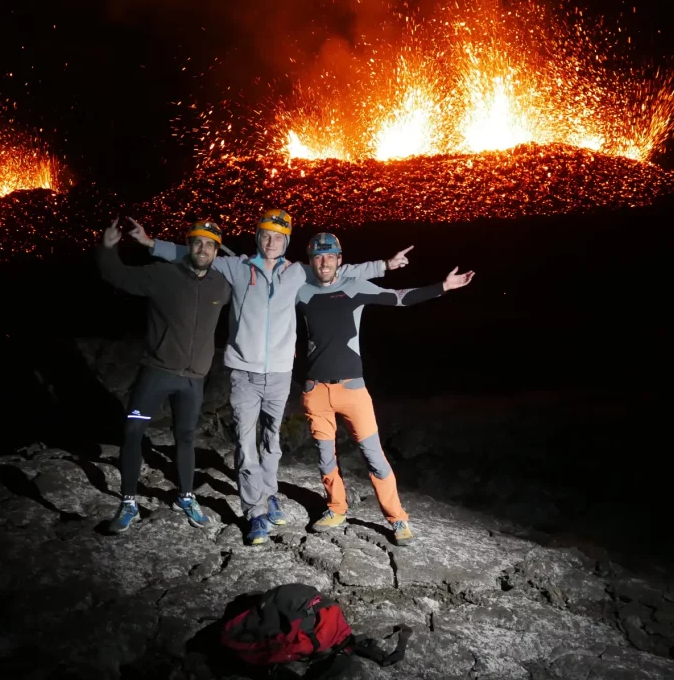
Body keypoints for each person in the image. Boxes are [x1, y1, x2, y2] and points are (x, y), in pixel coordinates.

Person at [126, 210, 414, 545]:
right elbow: (191, 252)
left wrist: (384, 266)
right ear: (257, 237)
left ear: (287, 241)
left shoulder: (297, 273)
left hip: (279, 375)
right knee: (246, 447)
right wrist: (150, 244)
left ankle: (271, 492)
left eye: (278, 237)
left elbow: (338, 268)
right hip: (244, 374)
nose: (270, 242)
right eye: (265, 235)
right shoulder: (236, 267)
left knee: (271, 444)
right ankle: (256, 513)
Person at [295, 232, 474, 546]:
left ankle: (398, 519)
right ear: (310, 261)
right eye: (317, 257)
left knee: (374, 457)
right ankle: (336, 509)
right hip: (315, 391)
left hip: (353, 391)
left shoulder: (354, 287)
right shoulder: (299, 290)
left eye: (330, 256)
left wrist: (442, 287)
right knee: (325, 459)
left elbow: (401, 297)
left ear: (339, 259)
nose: (323, 263)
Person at [96, 217, 232, 534]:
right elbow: (116, 276)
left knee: (185, 437)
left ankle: (185, 496)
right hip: (157, 373)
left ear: (216, 252)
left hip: (193, 379)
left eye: (210, 244)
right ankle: (128, 502)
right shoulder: (163, 274)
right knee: (133, 431)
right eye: (197, 242)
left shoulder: (221, 285)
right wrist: (107, 248)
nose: (203, 248)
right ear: (188, 245)